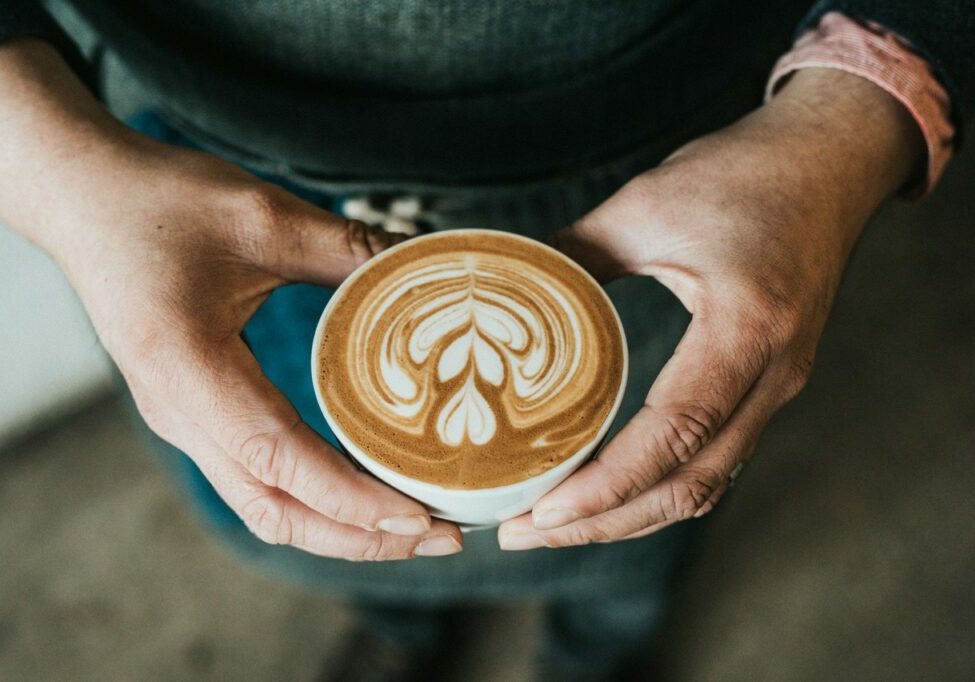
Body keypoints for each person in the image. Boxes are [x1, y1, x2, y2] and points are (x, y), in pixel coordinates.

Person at [1, 2, 970, 679]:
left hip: (664, 164)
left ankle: (599, 650)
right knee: (342, 509)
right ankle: (402, 618)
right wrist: (54, 168)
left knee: (649, 497)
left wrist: (858, 109)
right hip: (197, 177)